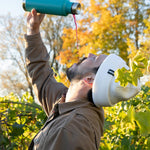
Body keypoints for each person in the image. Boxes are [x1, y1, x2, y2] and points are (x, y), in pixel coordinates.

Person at [25, 9, 140, 150]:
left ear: (90, 79)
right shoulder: (67, 103)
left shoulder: (73, 129)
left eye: (95, 59)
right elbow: (41, 76)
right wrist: (33, 30)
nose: (90, 54)